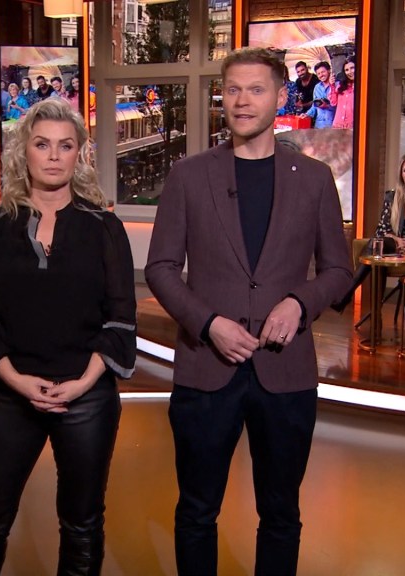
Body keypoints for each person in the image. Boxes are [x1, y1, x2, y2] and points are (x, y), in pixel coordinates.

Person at [145, 48, 352, 575]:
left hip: (285, 374)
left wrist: (299, 303)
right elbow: (161, 268)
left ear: (280, 97)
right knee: (196, 511)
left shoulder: (314, 178)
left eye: (256, 89)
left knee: (281, 514)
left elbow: (337, 271)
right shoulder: (189, 175)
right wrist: (208, 323)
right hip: (205, 369)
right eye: (232, 89)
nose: (241, 100)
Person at [0, 98, 136, 575]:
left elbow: (120, 317)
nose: (54, 156)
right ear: (24, 152)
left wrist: (82, 384)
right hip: (9, 395)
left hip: (87, 396)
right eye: (42, 144)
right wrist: (17, 382)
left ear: (79, 155)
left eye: (65, 145)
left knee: (82, 526)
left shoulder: (105, 228)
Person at [331, 153, 405, 312]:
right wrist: (397, 240)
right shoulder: (392, 197)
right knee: (377, 246)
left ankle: (348, 293)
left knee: (378, 256)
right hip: (393, 247)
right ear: (401, 175)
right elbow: (382, 229)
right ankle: (372, 312)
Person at [303, 61, 335, 128]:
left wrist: (327, 106)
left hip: (333, 125)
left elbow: (341, 107)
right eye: (318, 73)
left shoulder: (337, 85)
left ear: (329, 70)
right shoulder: (317, 87)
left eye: (323, 72)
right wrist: (307, 114)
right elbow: (315, 105)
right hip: (319, 125)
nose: (321, 75)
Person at [331, 55, 355, 129]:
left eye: (352, 68)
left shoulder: (363, 87)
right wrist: (332, 86)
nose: (349, 72)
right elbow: (333, 102)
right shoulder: (341, 86)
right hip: (338, 125)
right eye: (346, 70)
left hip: (352, 126)